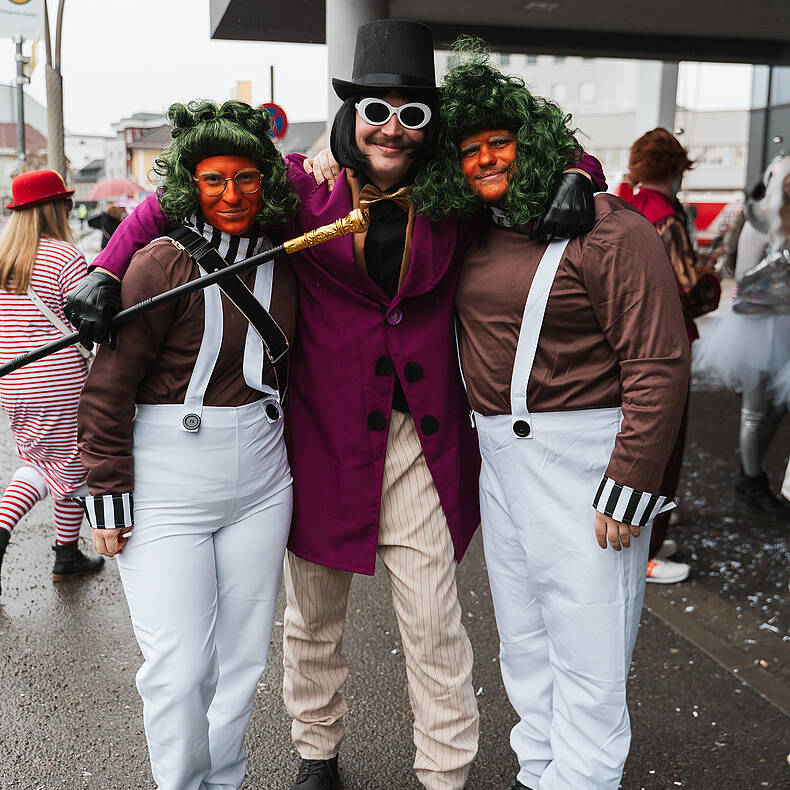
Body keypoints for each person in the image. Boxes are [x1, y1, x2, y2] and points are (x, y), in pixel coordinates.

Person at [64, 21, 605, 790]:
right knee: (312, 620)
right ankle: (317, 755)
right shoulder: (300, 188)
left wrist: (583, 175)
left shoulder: (453, 193)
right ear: (350, 115)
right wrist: (107, 270)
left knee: (433, 622)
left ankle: (444, 773)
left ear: (429, 125)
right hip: (318, 438)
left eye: (411, 113)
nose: (392, 128)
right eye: (374, 111)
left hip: (420, 436)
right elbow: (178, 193)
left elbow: (539, 154)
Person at [419, 47, 689, 790]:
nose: (481, 160)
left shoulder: (611, 229)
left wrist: (630, 481)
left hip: (583, 460)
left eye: (496, 142)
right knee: (526, 642)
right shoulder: (476, 229)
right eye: (468, 150)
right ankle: (540, 773)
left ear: (534, 141)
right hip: (503, 463)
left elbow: (658, 361)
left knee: (590, 652)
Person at [77, 100, 299, 790]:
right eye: (212, 181)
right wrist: (107, 495)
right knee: (178, 667)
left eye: (245, 178)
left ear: (267, 181)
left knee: (241, 663)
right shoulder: (158, 263)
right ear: (189, 188)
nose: (231, 195)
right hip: (167, 480)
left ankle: (223, 782)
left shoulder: (288, 262)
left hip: (263, 480)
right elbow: (108, 385)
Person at [622, 128, 721, 582]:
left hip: (626, 343)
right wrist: (711, 278)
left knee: (635, 442)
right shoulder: (668, 218)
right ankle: (647, 551)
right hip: (667, 345)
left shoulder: (625, 205)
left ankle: (642, 537)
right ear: (677, 169)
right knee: (666, 447)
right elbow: (688, 292)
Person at [0, 169, 103, 596]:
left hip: (14, 383)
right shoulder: (65, 256)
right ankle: (21, 536)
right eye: (64, 202)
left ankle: (66, 553)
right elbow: (89, 322)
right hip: (60, 382)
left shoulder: (4, 259)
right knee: (61, 466)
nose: (67, 208)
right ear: (53, 208)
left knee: (52, 462)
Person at [695, 155, 790, 513]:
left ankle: (751, 475)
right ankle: (751, 480)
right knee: (755, 408)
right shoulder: (759, 222)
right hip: (755, 326)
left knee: (779, 406)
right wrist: (782, 263)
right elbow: (746, 280)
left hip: (783, 322)